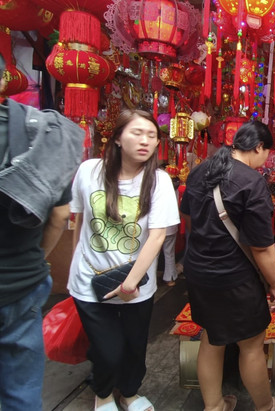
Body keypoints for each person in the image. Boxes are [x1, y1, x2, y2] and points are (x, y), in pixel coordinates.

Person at [68, 109, 180, 411]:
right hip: (89, 280)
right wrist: (73, 263)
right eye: (137, 133)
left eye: (152, 135)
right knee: (108, 350)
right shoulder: (89, 171)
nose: (145, 141)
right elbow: (80, 221)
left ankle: (129, 392)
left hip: (136, 283)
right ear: (117, 137)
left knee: (134, 347)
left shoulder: (158, 181)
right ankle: (103, 394)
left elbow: (157, 236)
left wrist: (130, 284)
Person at [180, 120, 275, 411]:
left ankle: (214, 406)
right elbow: (262, 248)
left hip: (198, 272)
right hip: (235, 279)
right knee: (251, 344)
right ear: (258, 147)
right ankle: (266, 407)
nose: (267, 159)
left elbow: (189, 221)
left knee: (211, 337)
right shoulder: (252, 183)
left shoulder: (199, 171)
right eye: (268, 152)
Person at [0, 54, 84, 411]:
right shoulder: (40, 131)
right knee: (21, 393)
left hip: (23, 281)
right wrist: (37, 259)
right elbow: (59, 215)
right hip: (20, 282)